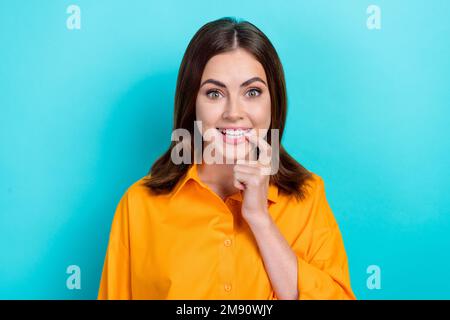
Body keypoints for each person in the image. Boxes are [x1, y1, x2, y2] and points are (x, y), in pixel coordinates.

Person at [98, 17, 356, 300]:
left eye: (252, 92)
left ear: (274, 102)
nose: (234, 112)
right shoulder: (138, 207)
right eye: (215, 93)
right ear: (192, 103)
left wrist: (259, 218)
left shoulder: (307, 199)